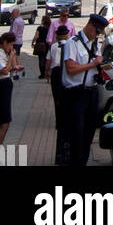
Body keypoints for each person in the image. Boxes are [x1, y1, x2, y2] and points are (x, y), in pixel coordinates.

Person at [61, 12, 108, 167]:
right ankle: (75, 162)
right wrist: (93, 64)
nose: (97, 35)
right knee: (77, 132)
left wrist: (102, 67)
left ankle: (83, 162)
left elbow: (96, 63)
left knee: (89, 132)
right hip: (76, 94)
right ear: (89, 25)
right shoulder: (72, 43)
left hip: (91, 92)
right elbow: (70, 68)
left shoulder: (94, 44)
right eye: (96, 31)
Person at [0, 31, 23, 160]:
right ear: (4, 43)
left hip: (4, 86)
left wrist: (14, 65)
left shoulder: (2, 53)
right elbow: (3, 70)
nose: (11, 48)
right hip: (0, 87)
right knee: (4, 123)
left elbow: (9, 68)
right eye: (10, 45)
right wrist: (10, 58)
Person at [46, 24, 72, 165]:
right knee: (64, 96)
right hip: (65, 71)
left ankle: (58, 119)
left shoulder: (54, 46)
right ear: (67, 35)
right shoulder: (70, 45)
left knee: (56, 97)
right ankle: (63, 117)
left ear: (57, 36)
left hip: (56, 72)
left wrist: (47, 71)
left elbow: (49, 60)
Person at [33, 12, 52, 79]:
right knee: (48, 59)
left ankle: (42, 74)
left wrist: (33, 42)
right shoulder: (50, 28)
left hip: (40, 45)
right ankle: (48, 73)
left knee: (41, 59)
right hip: (48, 45)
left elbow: (36, 36)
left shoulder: (40, 28)